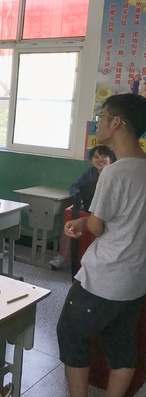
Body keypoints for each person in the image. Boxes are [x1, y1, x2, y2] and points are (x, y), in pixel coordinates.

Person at [58, 93, 146, 397]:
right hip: (135, 280)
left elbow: (98, 226)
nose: (99, 123)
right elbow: (127, 218)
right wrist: (85, 222)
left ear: (116, 122)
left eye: (103, 116)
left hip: (105, 277)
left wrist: (88, 223)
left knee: (70, 334)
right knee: (122, 347)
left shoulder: (114, 172)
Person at [49, 145, 116, 270]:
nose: (100, 159)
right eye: (96, 157)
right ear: (91, 161)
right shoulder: (89, 173)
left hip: (107, 212)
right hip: (88, 208)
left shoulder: (116, 174)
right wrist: (79, 198)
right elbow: (74, 187)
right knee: (71, 222)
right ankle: (62, 257)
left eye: (104, 156)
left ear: (110, 159)